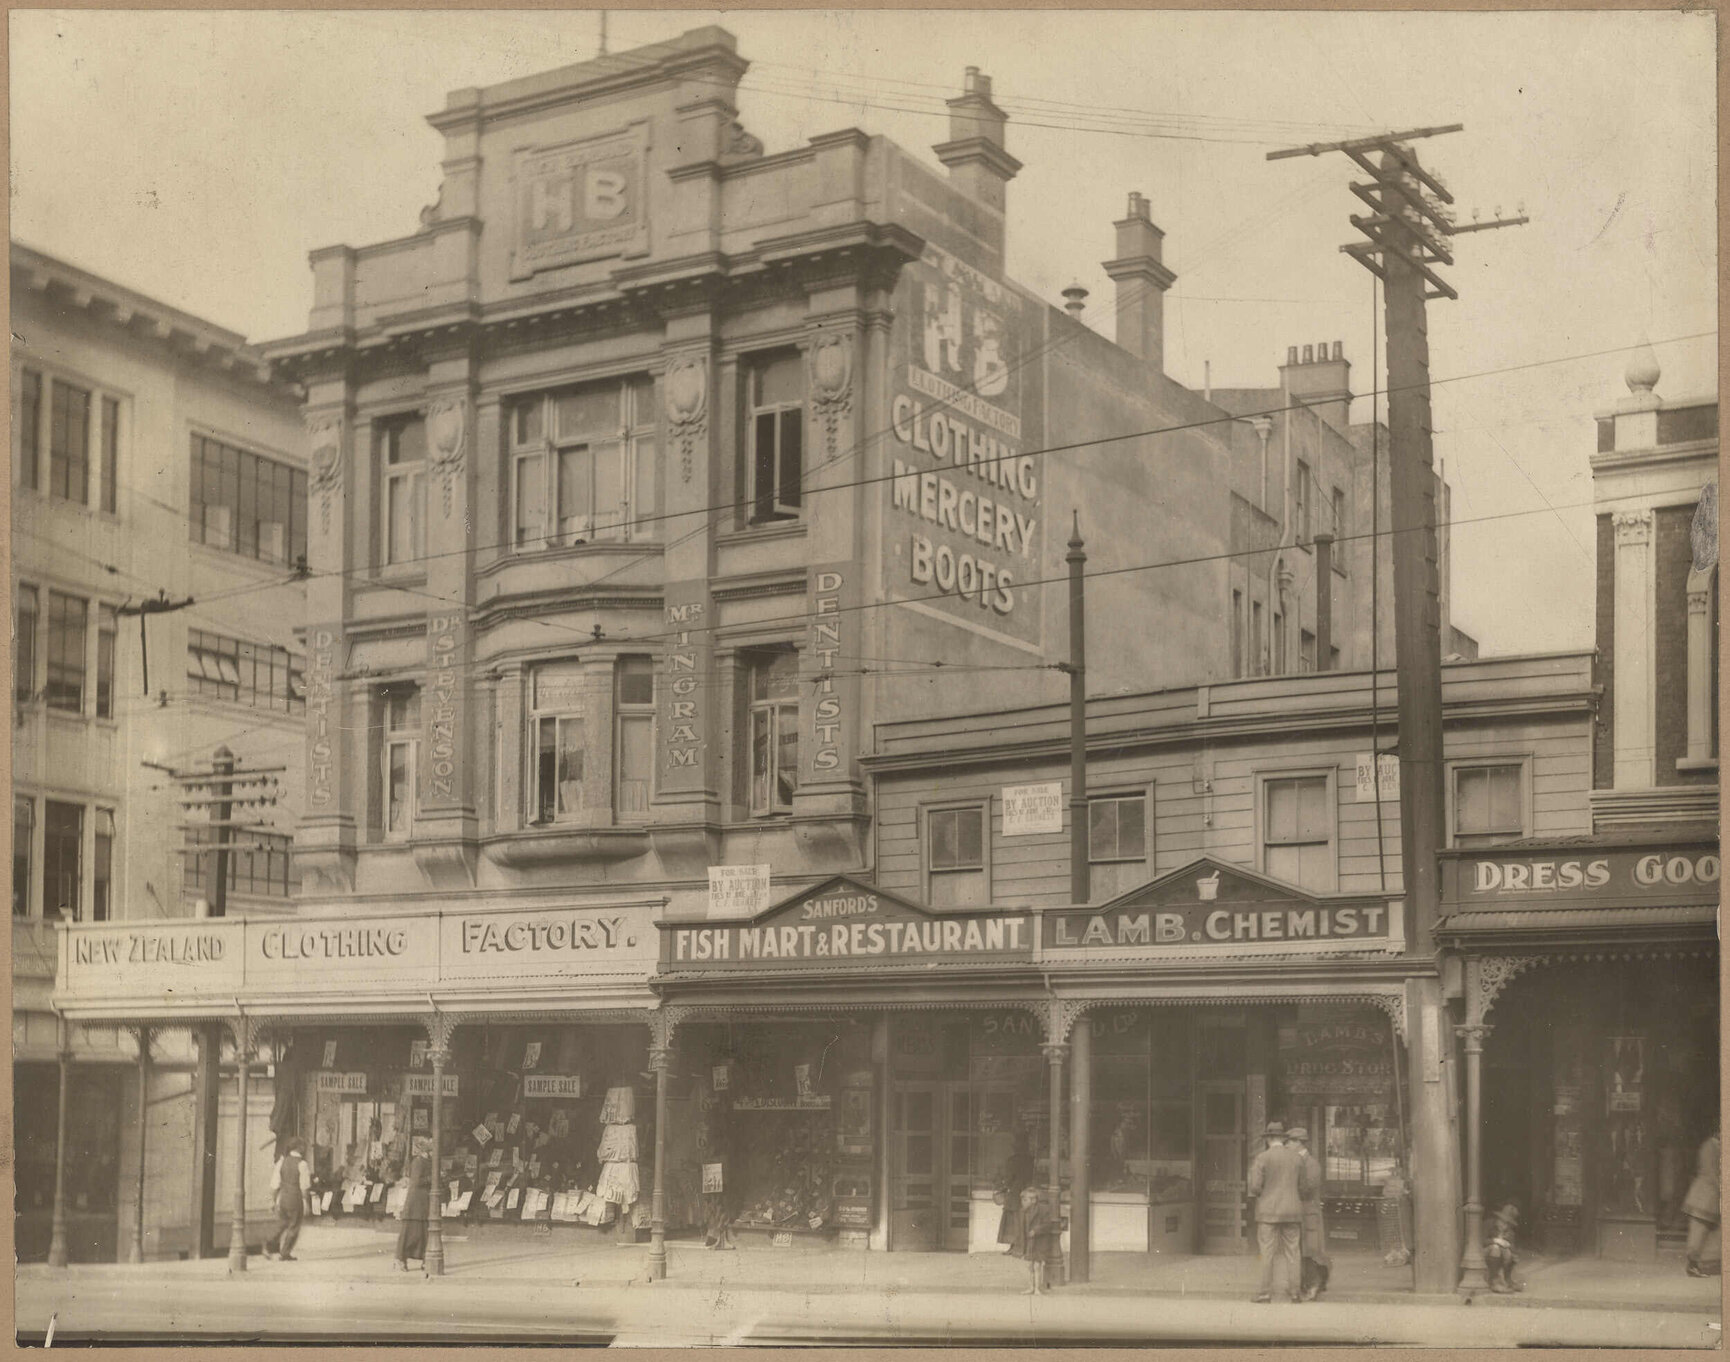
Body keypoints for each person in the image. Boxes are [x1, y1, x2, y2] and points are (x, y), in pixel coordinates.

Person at [1247, 1120, 1314, 1304]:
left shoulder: (1262, 1158)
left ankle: (1264, 1293)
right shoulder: (1297, 1158)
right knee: (1293, 1253)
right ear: (1283, 1139)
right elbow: (1305, 1188)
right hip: (1292, 1212)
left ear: (1268, 1139)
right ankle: (1294, 1293)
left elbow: (1254, 1187)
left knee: (1266, 1253)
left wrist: (1264, 1193)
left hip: (1268, 1213)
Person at [1287, 1127, 1331, 1300]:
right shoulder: (1298, 1161)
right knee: (1302, 1250)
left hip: (1309, 1212)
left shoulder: (1311, 1164)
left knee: (1310, 1251)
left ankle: (1315, 1284)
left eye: (1290, 1141)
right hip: (1299, 1211)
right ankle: (1308, 1284)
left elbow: (1307, 1188)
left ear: (1299, 1142)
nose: (1287, 1144)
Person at [265, 1137, 312, 1262]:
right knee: (294, 1226)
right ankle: (285, 1253)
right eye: (303, 1146)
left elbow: (274, 1184)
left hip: (283, 1198)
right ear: (299, 1147)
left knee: (282, 1223)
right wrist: (306, 1202)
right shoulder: (302, 1164)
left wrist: (273, 1201)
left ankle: (268, 1245)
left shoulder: (282, 1162)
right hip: (295, 1198)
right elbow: (304, 1187)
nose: (305, 1148)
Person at [1682, 1129, 1720, 1277]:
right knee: (1699, 1231)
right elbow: (1711, 1172)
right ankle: (1692, 1265)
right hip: (1704, 1196)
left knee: (1705, 1232)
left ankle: (1699, 1264)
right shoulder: (1709, 1147)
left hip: (1709, 1196)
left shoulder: (1714, 1146)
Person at [394, 1137, 432, 1271]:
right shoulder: (418, 1162)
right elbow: (416, 1182)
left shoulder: (428, 1161)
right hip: (415, 1203)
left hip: (423, 1203)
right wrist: (433, 1178)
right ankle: (400, 1259)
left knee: (423, 1234)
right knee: (410, 1234)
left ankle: (425, 1260)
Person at [995, 1127, 1036, 1252]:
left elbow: (1008, 1180)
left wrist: (1002, 1187)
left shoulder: (1012, 1161)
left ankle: (1014, 1246)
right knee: (1025, 1219)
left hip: (1014, 1193)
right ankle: (1024, 1247)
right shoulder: (1031, 1160)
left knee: (1013, 1221)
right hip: (1028, 1191)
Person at [1015, 1185, 1058, 1294]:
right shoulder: (1022, 1211)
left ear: (1033, 1200)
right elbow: (1021, 1228)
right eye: (1022, 1200)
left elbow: (1047, 1224)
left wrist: (1036, 1230)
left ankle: (1038, 1288)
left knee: (1037, 1265)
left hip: (1039, 1242)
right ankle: (1031, 1287)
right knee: (1029, 1265)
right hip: (1029, 1242)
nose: (1022, 1202)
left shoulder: (1043, 1209)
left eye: (1025, 1200)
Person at [1483, 1203, 1522, 1293]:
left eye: (1507, 1224)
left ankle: (1508, 1280)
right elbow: (1481, 1241)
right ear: (1498, 1218)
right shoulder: (1488, 1224)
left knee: (1509, 1253)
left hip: (1501, 1255)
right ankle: (1494, 1282)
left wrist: (1507, 1245)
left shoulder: (1510, 1232)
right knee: (1495, 1248)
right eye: (1502, 1221)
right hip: (1485, 1253)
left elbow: (1513, 1248)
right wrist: (1495, 1240)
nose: (1504, 1225)